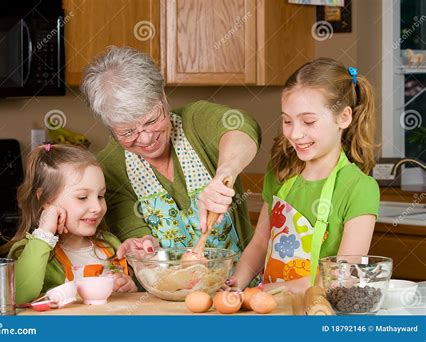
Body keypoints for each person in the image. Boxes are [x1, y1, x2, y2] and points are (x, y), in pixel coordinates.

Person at [81, 46, 261, 257]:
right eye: (128, 132)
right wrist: (144, 247)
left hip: (237, 285)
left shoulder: (195, 121)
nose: (147, 139)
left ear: (163, 97)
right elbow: (137, 238)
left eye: (152, 120)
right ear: (110, 126)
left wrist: (224, 173)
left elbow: (243, 128)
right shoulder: (109, 169)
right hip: (163, 286)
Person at [227, 58, 380, 294]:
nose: (295, 133)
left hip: (318, 313)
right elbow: (259, 244)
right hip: (269, 310)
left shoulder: (359, 188)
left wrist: (268, 292)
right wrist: (236, 283)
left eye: (308, 121)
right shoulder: (280, 173)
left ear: (344, 118)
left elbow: (343, 277)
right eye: (287, 121)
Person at [4, 144, 139, 304]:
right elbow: (19, 296)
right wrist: (45, 233)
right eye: (82, 197)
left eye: (101, 196)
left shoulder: (110, 244)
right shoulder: (26, 250)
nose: (97, 207)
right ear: (46, 199)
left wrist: (128, 287)